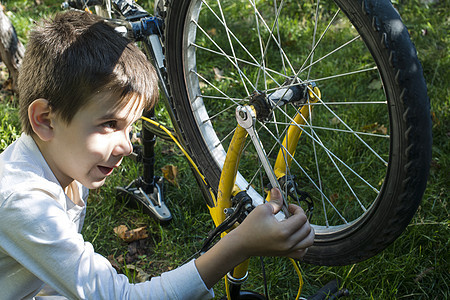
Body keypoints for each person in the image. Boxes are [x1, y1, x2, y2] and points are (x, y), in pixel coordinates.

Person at [0, 10, 314, 299]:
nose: (127, 147)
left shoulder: (62, 161)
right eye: (110, 124)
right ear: (45, 120)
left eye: (130, 127)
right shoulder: (23, 201)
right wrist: (239, 245)